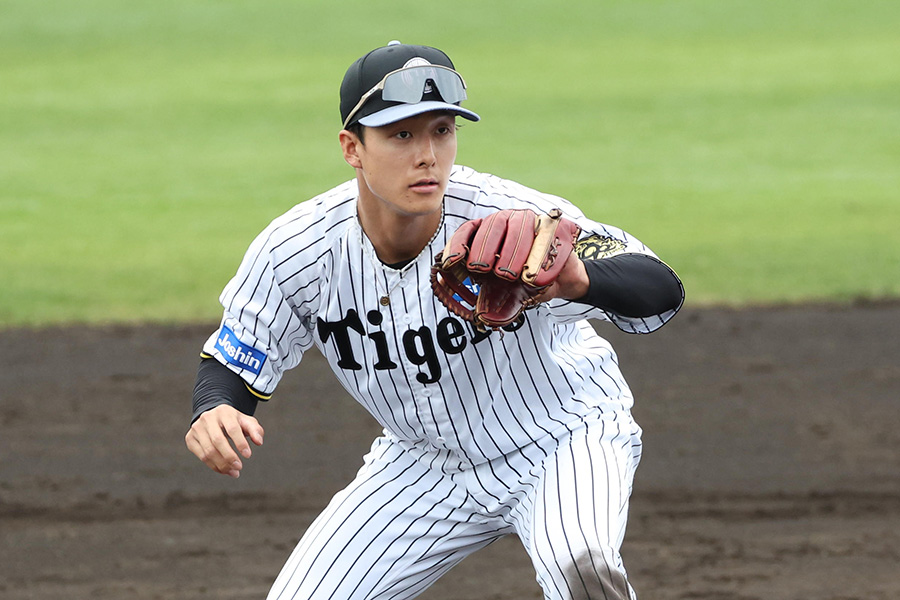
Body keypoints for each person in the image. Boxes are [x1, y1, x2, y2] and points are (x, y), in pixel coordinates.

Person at [185, 41, 684, 600]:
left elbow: (660, 286)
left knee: (582, 568)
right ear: (352, 147)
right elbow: (237, 357)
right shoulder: (298, 250)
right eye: (402, 135)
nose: (427, 155)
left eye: (441, 131)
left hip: (561, 439)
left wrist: (579, 281)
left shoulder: (512, 220)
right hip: (423, 465)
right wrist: (216, 408)